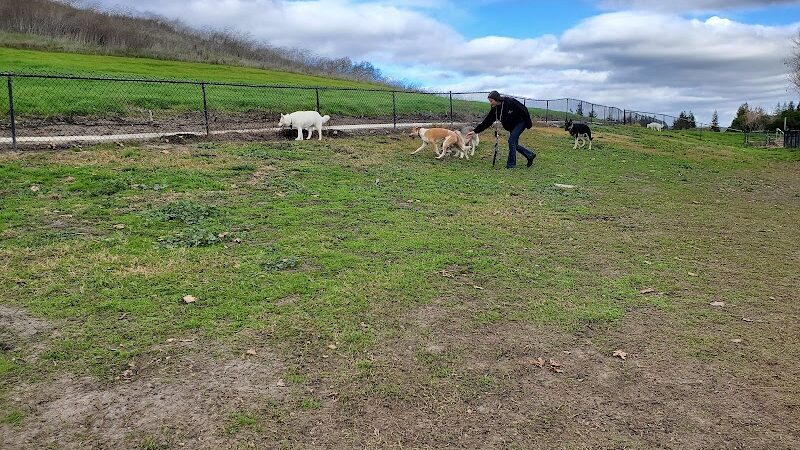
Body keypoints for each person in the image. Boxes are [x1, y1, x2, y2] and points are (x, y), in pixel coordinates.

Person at [466, 91, 536, 169]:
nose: (491, 103)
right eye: (490, 101)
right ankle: (530, 155)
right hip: (512, 126)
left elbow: (524, 109)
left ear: (496, 99)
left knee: (511, 141)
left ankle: (511, 165)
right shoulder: (494, 110)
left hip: (521, 122)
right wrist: (475, 131)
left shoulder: (510, 102)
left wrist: (528, 124)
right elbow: (487, 122)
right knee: (513, 144)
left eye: (491, 101)